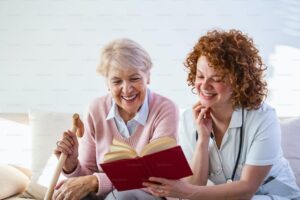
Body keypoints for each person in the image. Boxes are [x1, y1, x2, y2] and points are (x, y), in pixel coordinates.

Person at [143, 29, 300, 200]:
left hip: (276, 195)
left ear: (239, 81)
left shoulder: (263, 117)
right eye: (200, 76)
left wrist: (184, 191)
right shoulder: (190, 119)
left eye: (216, 79)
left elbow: (247, 189)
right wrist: (202, 139)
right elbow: (196, 188)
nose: (204, 85)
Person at [53, 38, 179, 200]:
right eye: (117, 81)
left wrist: (95, 181)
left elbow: (154, 172)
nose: (127, 89)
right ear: (107, 83)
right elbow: (87, 177)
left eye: (134, 78)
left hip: (149, 195)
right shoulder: (96, 109)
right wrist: (71, 165)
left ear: (148, 76)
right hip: (106, 195)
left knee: (122, 195)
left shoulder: (165, 108)